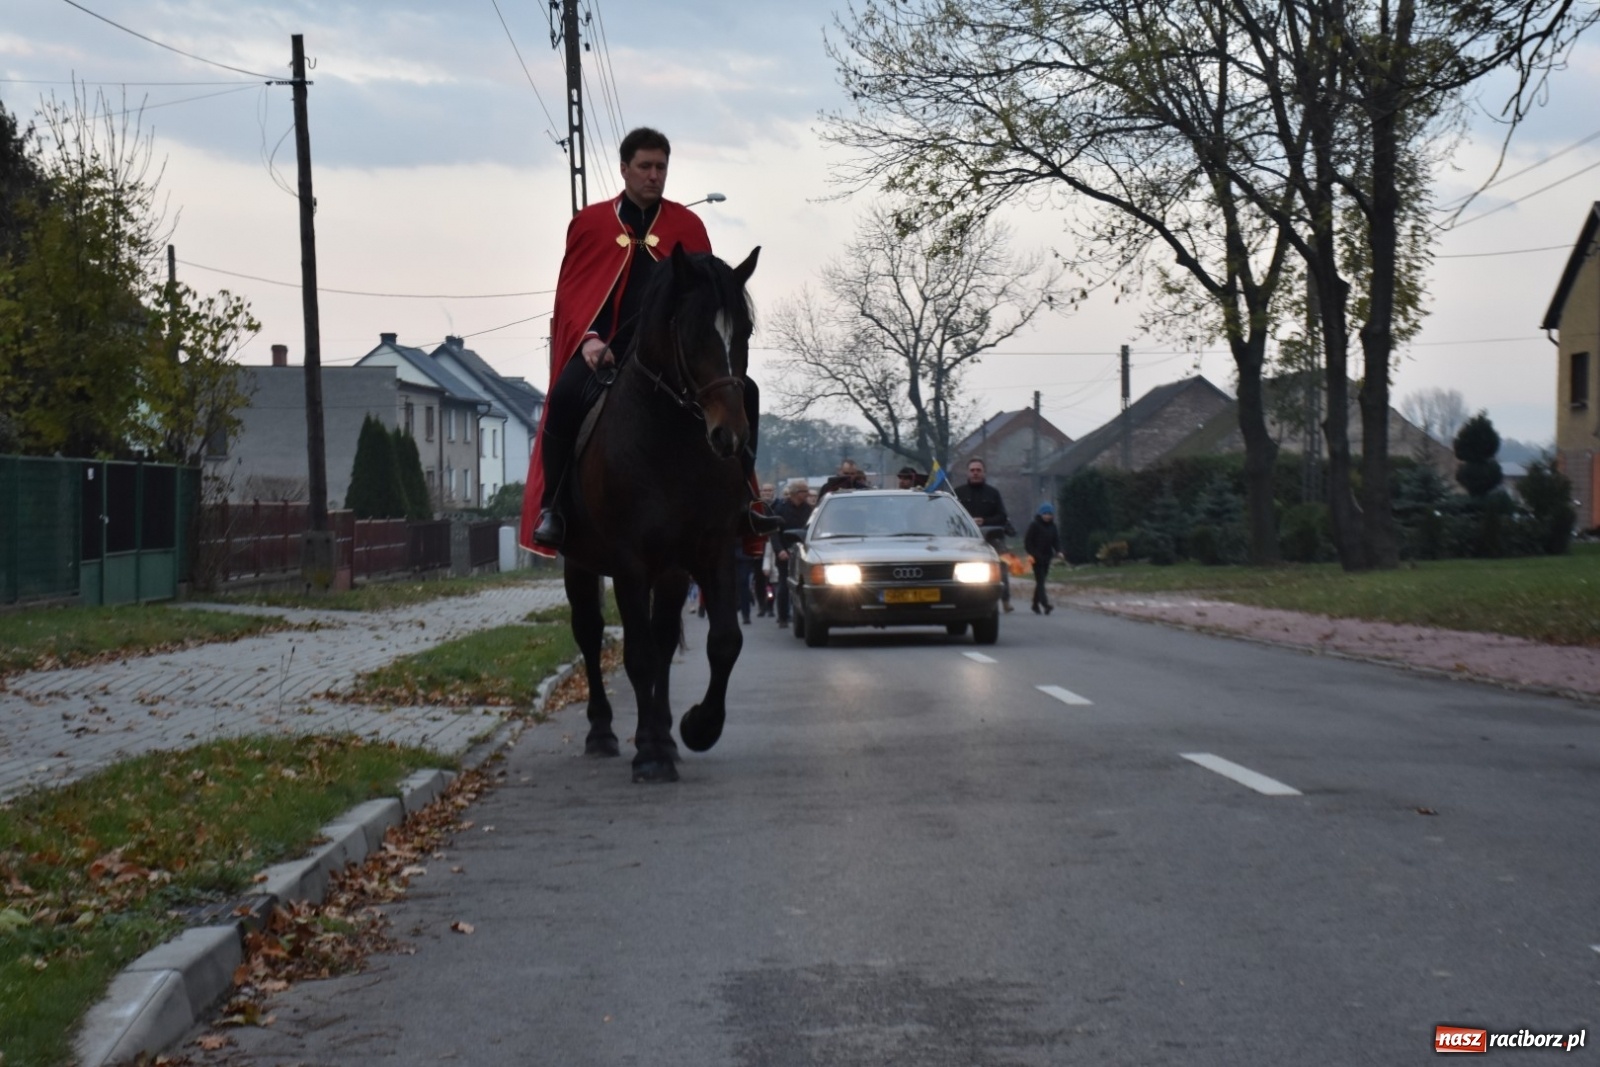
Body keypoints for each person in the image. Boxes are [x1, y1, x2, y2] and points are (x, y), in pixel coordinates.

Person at [522, 126, 780, 552]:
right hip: (605, 350)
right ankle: (555, 506)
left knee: (743, 393)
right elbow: (572, 295)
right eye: (645, 166)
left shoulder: (687, 225)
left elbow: (707, 296)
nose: (654, 175)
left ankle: (745, 502)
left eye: (661, 167)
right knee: (566, 398)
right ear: (624, 169)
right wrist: (587, 340)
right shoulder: (589, 224)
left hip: (673, 354)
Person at [954, 457, 1013, 612]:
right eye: (972, 470)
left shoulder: (993, 493)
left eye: (978, 470)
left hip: (992, 538)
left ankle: (1005, 599)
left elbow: (1002, 516)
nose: (975, 473)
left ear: (984, 473)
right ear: (967, 473)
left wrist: (984, 521)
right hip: (965, 539)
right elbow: (951, 517)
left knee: (1002, 567)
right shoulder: (958, 493)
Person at [771, 478, 814, 627]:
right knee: (783, 585)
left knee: (801, 586)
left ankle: (800, 615)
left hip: (802, 553)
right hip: (785, 553)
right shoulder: (780, 509)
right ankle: (782, 617)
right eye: (805, 491)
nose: (808, 494)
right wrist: (779, 550)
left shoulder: (809, 510)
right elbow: (774, 533)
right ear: (796, 493)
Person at [1024, 502, 1063, 614]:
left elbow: (1056, 541)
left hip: (1047, 557)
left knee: (1041, 581)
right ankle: (1045, 604)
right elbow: (1028, 542)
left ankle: (1035, 604)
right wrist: (1033, 553)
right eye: (1045, 514)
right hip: (1036, 558)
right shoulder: (1034, 525)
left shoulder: (1053, 526)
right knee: (1040, 581)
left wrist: (1059, 551)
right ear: (1040, 514)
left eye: (1050, 514)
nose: (1047, 516)